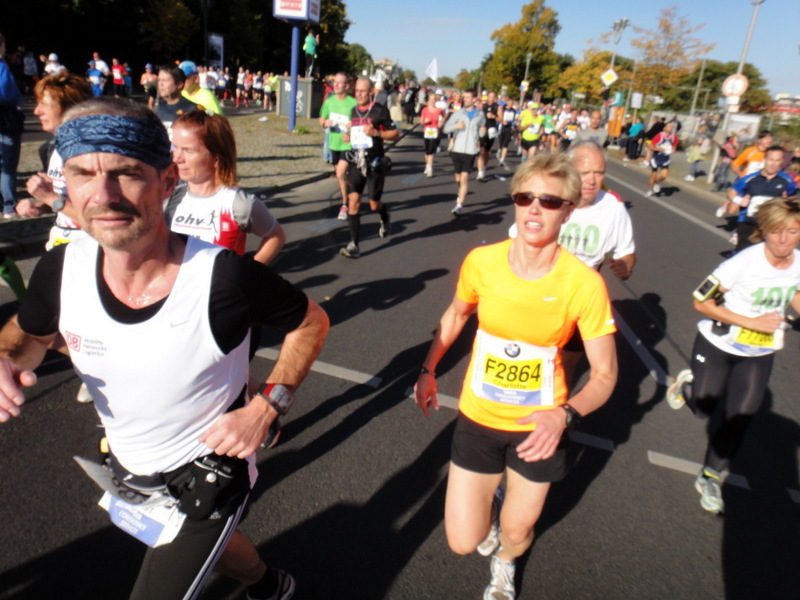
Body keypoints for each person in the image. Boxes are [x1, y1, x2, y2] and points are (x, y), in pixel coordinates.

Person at [0, 97, 329, 600]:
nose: (103, 194)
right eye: (83, 173)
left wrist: (268, 405)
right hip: (127, 468)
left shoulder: (223, 278)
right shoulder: (59, 269)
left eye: (127, 173)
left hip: (209, 474)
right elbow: (25, 341)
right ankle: (267, 584)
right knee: (217, 554)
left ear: (167, 182)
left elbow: (311, 321)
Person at [414, 152, 617, 600]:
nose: (535, 209)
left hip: (538, 427)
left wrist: (564, 415)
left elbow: (604, 375)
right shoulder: (482, 262)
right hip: (479, 419)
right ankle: (493, 520)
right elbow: (455, 314)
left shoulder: (583, 284)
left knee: (517, 528)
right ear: (515, 201)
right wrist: (428, 369)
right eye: (526, 197)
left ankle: (505, 562)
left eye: (550, 200)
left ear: (569, 209)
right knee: (463, 541)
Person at [666, 197, 800, 514]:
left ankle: (710, 476)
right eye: (777, 231)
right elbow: (701, 301)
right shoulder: (742, 263)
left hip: (760, 349)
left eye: (793, 231)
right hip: (718, 344)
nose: (784, 239)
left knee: (739, 418)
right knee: (704, 408)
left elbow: (794, 293)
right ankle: (687, 387)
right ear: (764, 231)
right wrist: (750, 321)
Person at [167, 110, 285, 264]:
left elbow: (276, 236)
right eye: (175, 147)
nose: (177, 158)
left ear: (216, 157)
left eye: (188, 151)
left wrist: (248, 274)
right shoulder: (171, 198)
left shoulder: (238, 204)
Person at [338, 77, 398, 258]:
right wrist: (347, 137)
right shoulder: (353, 111)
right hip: (357, 162)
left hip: (375, 164)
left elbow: (395, 134)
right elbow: (352, 132)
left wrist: (376, 133)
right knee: (353, 203)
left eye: (363, 91)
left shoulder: (380, 110)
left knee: (373, 205)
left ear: (371, 92)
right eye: (356, 91)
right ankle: (354, 244)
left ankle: (384, 214)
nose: (359, 94)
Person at [724, 146, 795, 253]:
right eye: (770, 160)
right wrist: (740, 201)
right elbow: (731, 193)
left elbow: (791, 197)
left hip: (772, 225)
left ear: (781, 161)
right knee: (744, 255)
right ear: (764, 159)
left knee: (766, 256)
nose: (773, 164)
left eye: (777, 161)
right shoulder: (750, 179)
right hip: (749, 223)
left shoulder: (787, 180)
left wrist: (786, 202)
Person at [319, 72, 357, 221]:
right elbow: (321, 118)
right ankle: (347, 197)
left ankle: (344, 204)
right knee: (340, 175)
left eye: (339, 82)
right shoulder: (329, 101)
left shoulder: (353, 103)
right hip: (333, 144)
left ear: (347, 86)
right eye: (334, 82)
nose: (335, 84)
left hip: (347, 144)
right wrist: (324, 123)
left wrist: (351, 128)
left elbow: (360, 122)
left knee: (340, 173)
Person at [442, 89, 486, 218]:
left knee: (464, 178)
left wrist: (483, 131)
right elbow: (446, 129)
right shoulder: (458, 114)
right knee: (458, 179)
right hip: (457, 149)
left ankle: (459, 205)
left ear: (474, 99)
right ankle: (460, 193)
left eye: (467, 97)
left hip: (471, 150)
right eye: (464, 97)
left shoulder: (480, 115)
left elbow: (482, 133)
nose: (464, 99)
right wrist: (456, 127)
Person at [0, 34, 24, 218]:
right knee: (7, 165)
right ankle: (8, 206)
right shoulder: (1, 66)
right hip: (5, 120)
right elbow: (8, 93)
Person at [155, 63, 201, 140]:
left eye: (165, 80)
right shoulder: (157, 107)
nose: (160, 84)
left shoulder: (192, 109)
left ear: (179, 84)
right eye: (159, 80)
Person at [645, 121, 677, 197]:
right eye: (669, 126)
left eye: (672, 126)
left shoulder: (674, 136)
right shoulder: (659, 136)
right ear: (664, 128)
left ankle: (657, 183)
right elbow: (650, 146)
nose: (671, 127)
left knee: (664, 175)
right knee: (653, 176)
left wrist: (673, 149)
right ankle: (650, 190)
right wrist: (659, 149)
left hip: (665, 159)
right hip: (656, 158)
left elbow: (675, 145)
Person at [477, 91, 499, 180]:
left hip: (491, 130)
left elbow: (501, 119)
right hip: (483, 129)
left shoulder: (498, 107)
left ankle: (484, 166)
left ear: (495, 98)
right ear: (487, 97)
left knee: (487, 151)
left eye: (493, 97)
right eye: (490, 97)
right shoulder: (482, 106)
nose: (491, 99)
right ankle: (480, 172)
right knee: (481, 151)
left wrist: (494, 117)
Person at [420, 93, 444, 178]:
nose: (432, 101)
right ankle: (427, 165)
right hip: (427, 131)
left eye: (434, 99)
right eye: (431, 99)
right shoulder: (425, 110)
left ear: (436, 100)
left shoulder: (439, 110)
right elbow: (421, 121)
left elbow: (442, 119)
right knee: (427, 151)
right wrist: (425, 121)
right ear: (429, 100)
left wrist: (440, 124)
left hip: (434, 131)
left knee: (431, 150)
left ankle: (430, 169)